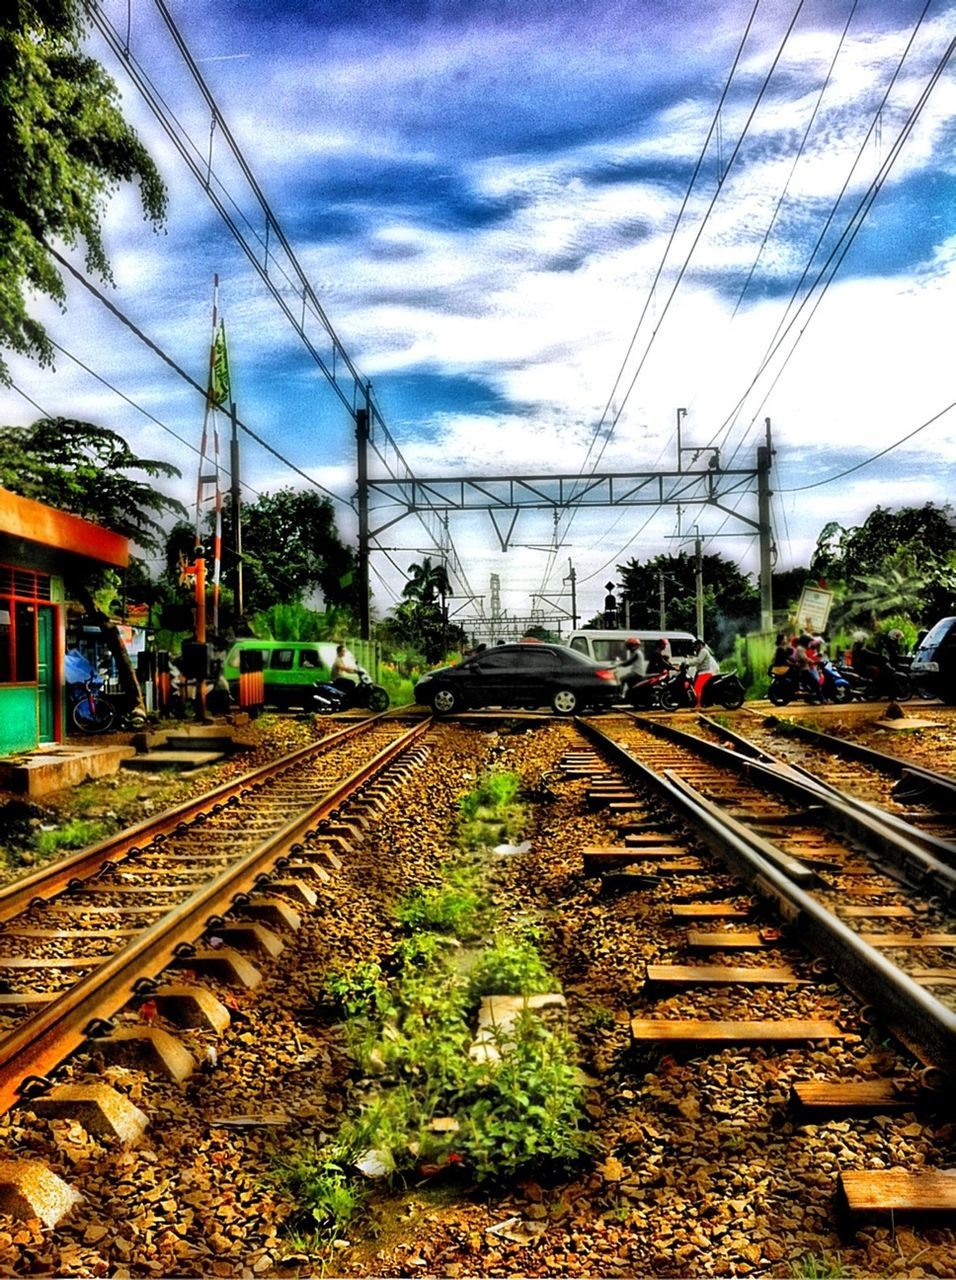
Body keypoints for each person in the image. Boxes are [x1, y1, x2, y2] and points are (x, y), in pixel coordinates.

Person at [687, 637, 720, 704]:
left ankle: (698, 705)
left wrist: (688, 663)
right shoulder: (702, 652)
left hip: (705, 673)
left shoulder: (703, 651)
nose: (695, 647)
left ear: (700, 645)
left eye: (696, 646)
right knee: (698, 687)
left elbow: (699, 661)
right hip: (702, 672)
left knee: (697, 687)